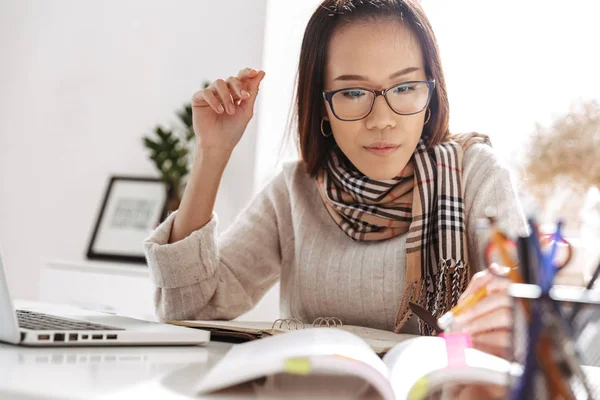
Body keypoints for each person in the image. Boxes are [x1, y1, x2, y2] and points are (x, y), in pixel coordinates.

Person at [144, 0, 526, 358]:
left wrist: (510, 310)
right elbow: (189, 309)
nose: (382, 119)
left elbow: (527, 323)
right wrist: (213, 153)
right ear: (322, 104)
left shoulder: (473, 174)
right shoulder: (294, 191)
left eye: (406, 87)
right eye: (354, 92)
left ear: (431, 97)